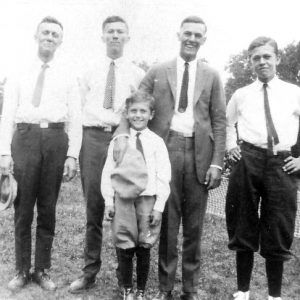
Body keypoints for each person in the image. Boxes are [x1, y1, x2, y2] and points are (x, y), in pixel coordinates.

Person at [115, 16, 226, 300]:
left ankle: (189, 288)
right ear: (179, 35)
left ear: (204, 39)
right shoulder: (159, 70)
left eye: (197, 35)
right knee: (166, 221)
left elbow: (219, 122)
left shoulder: (212, 75)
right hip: (165, 151)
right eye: (187, 33)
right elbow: (134, 104)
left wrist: (216, 161)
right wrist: (123, 135)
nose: (191, 39)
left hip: (199, 154)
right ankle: (165, 288)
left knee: (194, 226)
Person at [0, 16, 82, 291]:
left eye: (54, 34)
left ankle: (42, 269)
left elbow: (76, 117)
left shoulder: (69, 74)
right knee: (23, 208)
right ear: (36, 37)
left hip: (56, 138)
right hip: (25, 137)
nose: (49, 37)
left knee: (47, 208)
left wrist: (72, 154)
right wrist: (4, 153)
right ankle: (22, 270)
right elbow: (6, 114)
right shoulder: (19, 71)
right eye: (45, 32)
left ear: (60, 40)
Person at [69, 16, 145, 293]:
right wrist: (74, 151)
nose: (115, 36)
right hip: (91, 138)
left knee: (124, 207)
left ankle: (124, 276)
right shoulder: (88, 70)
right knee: (94, 208)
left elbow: (140, 111)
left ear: (127, 37)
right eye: (110, 32)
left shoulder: (136, 74)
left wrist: (125, 135)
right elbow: (77, 111)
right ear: (103, 36)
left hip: (121, 139)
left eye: (120, 32)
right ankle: (89, 272)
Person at [226, 36, 300, 300]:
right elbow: (226, 122)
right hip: (248, 160)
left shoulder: (294, 93)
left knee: (278, 226)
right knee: (243, 222)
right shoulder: (241, 94)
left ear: (278, 59)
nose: (262, 62)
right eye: (256, 58)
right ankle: (243, 291)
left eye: (267, 56)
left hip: (282, 163)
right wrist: (231, 146)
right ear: (250, 62)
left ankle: (274, 296)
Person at [101, 91, 171, 300]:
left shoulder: (156, 141)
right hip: (123, 199)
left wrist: (159, 206)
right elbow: (108, 171)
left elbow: (163, 176)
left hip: (147, 200)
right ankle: (127, 289)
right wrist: (108, 201)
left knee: (144, 243)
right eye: (133, 111)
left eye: (143, 111)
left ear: (151, 114)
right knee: (124, 244)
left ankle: (140, 290)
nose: (138, 115)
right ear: (127, 113)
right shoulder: (119, 141)